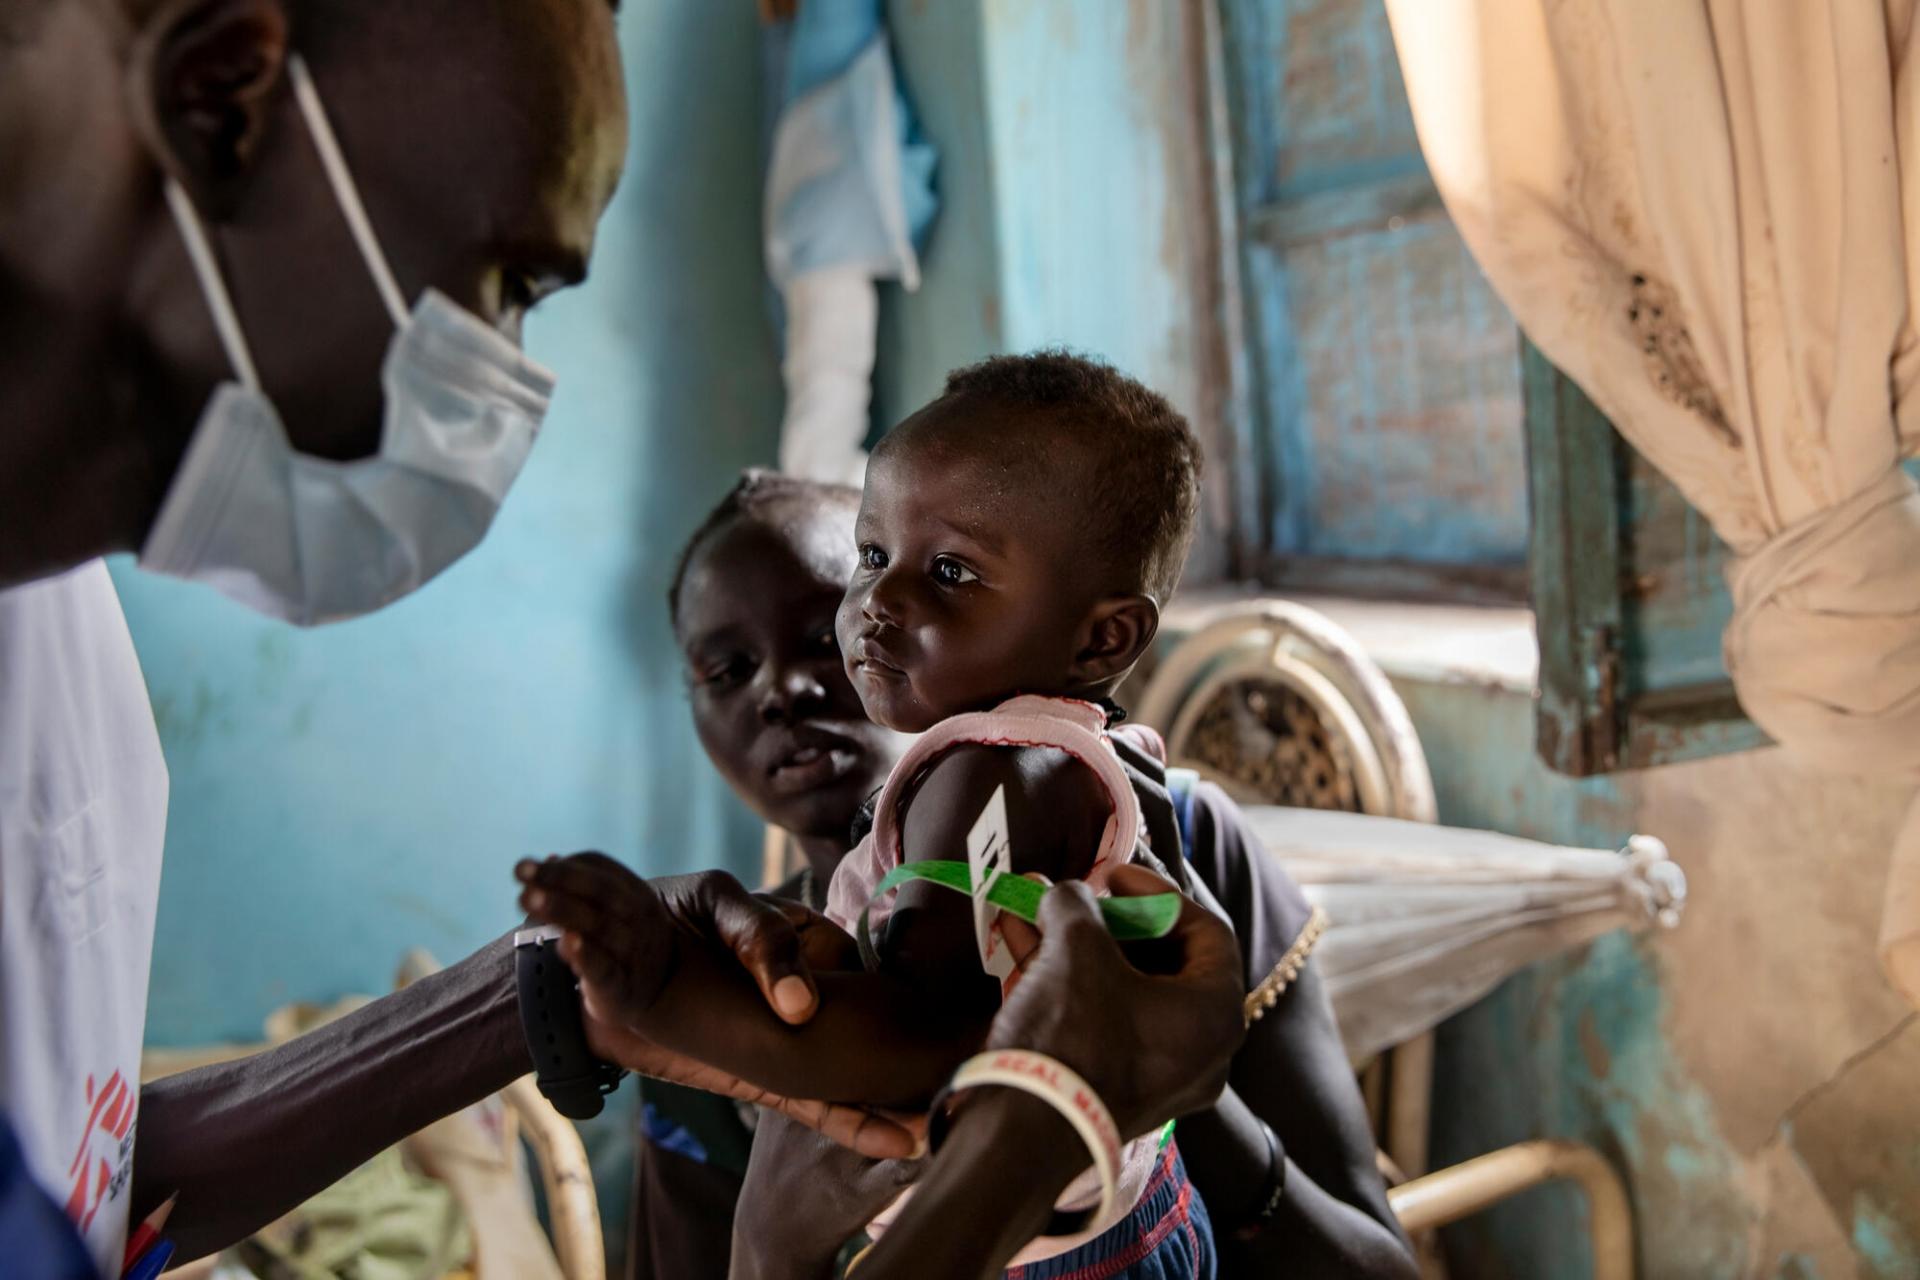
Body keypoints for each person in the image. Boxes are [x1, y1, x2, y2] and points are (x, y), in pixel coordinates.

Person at [0, 1, 919, 1270]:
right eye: (508, 280)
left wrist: (541, 988)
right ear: (222, 101)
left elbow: (72, 1181)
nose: (499, 381)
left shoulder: (54, 630)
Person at [657, 468, 1414, 1278]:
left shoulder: (1179, 848)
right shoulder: (721, 987)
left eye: (822, 635)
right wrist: (769, 1244)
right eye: (727, 671)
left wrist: (1180, 1098)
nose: (784, 692)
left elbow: (1380, 1269)